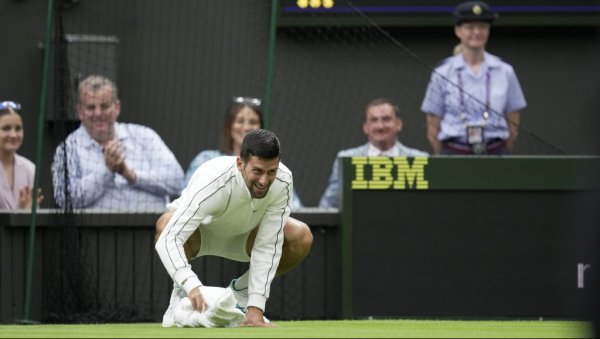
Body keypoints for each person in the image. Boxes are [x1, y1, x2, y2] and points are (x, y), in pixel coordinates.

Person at [155, 129, 313, 328]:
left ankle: (241, 294)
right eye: (257, 171)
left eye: (271, 171)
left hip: (244, 238)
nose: (264, 181)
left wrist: (256, 309)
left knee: (300, 236)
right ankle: (180, 296)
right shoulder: (212, 179)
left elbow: (267, 245)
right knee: (165, 223)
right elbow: (169, 238)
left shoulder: (283, 181)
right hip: (199, 235)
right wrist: (191, 285)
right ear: (240, 163)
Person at [51, 75, 184, 211]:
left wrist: (131, 175)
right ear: (80, 112)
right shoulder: (68, 148)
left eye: (104, 106)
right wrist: (107, 171)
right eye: (91, 107)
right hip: (95, 231)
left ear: (117, 108)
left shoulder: (144, 136)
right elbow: (64, 198)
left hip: (155, 228)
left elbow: (177, 181)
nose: (98, 113)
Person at [421, 1, 526, 155]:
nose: (477, 32)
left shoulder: (505, 71)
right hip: (454, 153)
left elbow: (513, 124)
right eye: (469, 27)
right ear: (458, 31)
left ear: (489, 30)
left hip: (495, 152)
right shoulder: (442, 72)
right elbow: (433, 127)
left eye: (483, 27)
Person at [183, 96, 304, 210]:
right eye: (240, 121)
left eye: (252, 122)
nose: (246, 127)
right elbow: (188, 198)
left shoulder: (271, 166)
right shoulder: (205, 159)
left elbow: (294, 206)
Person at [319, 98, 428, 209]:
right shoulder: (346, 160)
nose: (380, 126)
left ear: (398, 124)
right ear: (366, 127)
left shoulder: (419, 159)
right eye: (374, 120)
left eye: (386, 119)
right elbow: (328, 205)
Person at [0, 101, 43, 209]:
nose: (13, 135)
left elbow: (33, 213)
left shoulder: (30, 169)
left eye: (18, 128)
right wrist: (21, 212)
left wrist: (28, 211)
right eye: (6, 128)